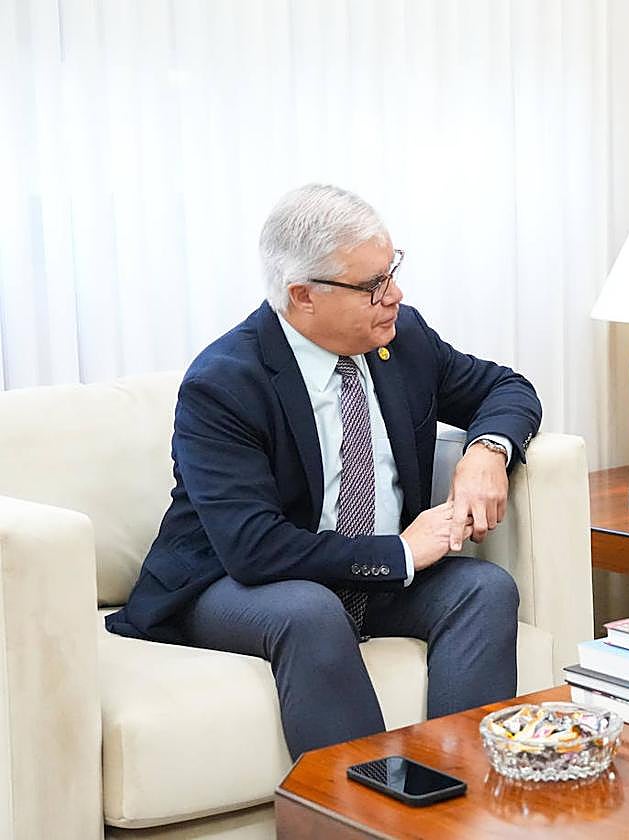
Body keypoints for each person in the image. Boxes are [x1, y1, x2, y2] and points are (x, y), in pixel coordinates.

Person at [106, 183, 541, 758]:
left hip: (367, 577)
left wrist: (486, 451)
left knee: (484, 588)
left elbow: (506, 388)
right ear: (303, 295)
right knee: (309, 611)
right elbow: (253, 548)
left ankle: (464, 791)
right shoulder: (226, 381)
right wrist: (400, 554)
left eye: (393, 271)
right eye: (373, 285)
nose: (394, 294)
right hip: (233, 584)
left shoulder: (402, 338)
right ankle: (362, 802)